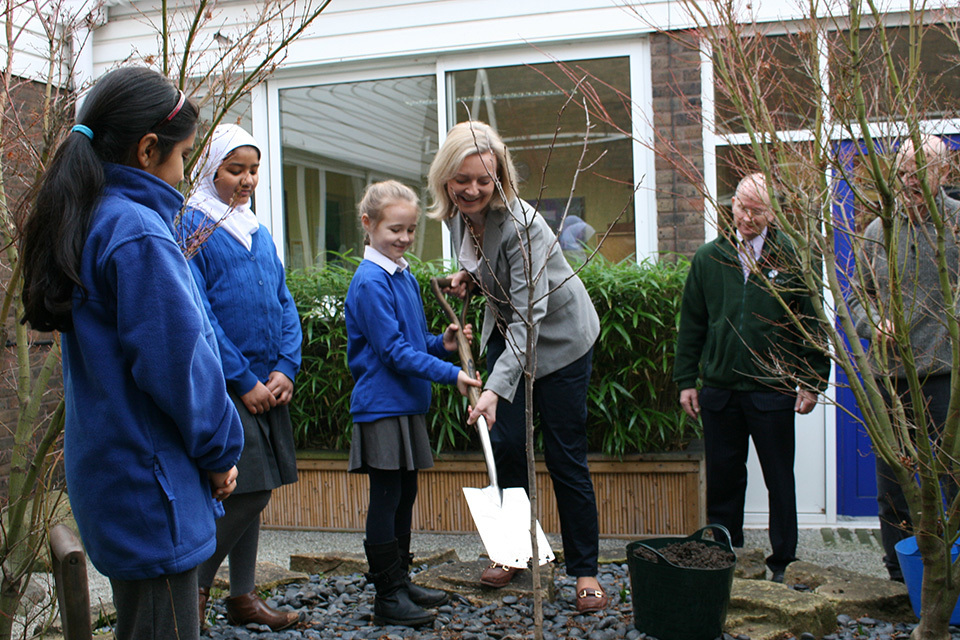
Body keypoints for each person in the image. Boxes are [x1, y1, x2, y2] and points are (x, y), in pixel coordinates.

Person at [18, 67, 244, 640]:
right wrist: (220, 452)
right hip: (152, 491)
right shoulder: (137, 231)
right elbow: (180, 366)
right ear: (148, 150)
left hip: (120, 481)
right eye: (184, 155)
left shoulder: (92, 217)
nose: (185, 172)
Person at [427, 121, 607, 614]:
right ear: (445, 179)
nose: (472, 189)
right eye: (462, 179)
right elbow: (492, 267)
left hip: (559, 341)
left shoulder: (522, 224)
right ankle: (513, 551)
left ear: (500, 178)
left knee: (565, 455)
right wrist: (471, 277)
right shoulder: (459, 216)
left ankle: (585, 570)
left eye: (483, 180)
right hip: (509, 335)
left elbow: (531, 314)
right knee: (506, 447)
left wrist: (494, 389)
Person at [673, 172, 830, 583]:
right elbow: (692, 324)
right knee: (724, 480)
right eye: (742, 207)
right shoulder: (709, 258)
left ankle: (784, 563)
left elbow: (812, 323)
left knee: (779, 479)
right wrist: (686, 380)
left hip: (771, 390)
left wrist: (813, 380)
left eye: (757, 211)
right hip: (720, 391)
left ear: (772, 213)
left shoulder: (793, 259)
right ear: (732, 205)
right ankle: (725, 557)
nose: (747, 217)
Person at [180, 124, 302, 629]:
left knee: (254, 491)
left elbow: (284, 302)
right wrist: (243, 379)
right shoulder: (193, 227)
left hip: (267, 385)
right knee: (248, 490)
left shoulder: (257, 231)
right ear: (211, 170)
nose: (247, 179)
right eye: (235, 170)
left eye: (253, 170)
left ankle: (243, 597)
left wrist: (286, 366)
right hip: (228, 389)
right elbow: (200, 315)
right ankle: (195, 590)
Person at [345, 180, 481, 627]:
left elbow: (412, 341)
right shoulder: (370, 282)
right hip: (382, 407)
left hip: (405, 404)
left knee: (405, 495)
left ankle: (400, 582)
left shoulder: (400, 274)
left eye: (410, 230)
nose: (404, 238)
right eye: (395, 230)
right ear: (368, 224)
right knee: (386, 497)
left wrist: (442, 343)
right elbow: (392, 352)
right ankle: (387, 597)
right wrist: (451, 373)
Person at [848, 135, 960, 582]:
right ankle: (898, 575)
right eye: (903, 171)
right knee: (893, 482)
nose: (910, 180)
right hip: (889, 378)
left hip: (946, 375)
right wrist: (875, 322)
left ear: (944, 173)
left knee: (952, 478)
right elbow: (856, 298)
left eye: (921, 171)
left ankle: (952, 575)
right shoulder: (878, 232)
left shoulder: (957, 225)